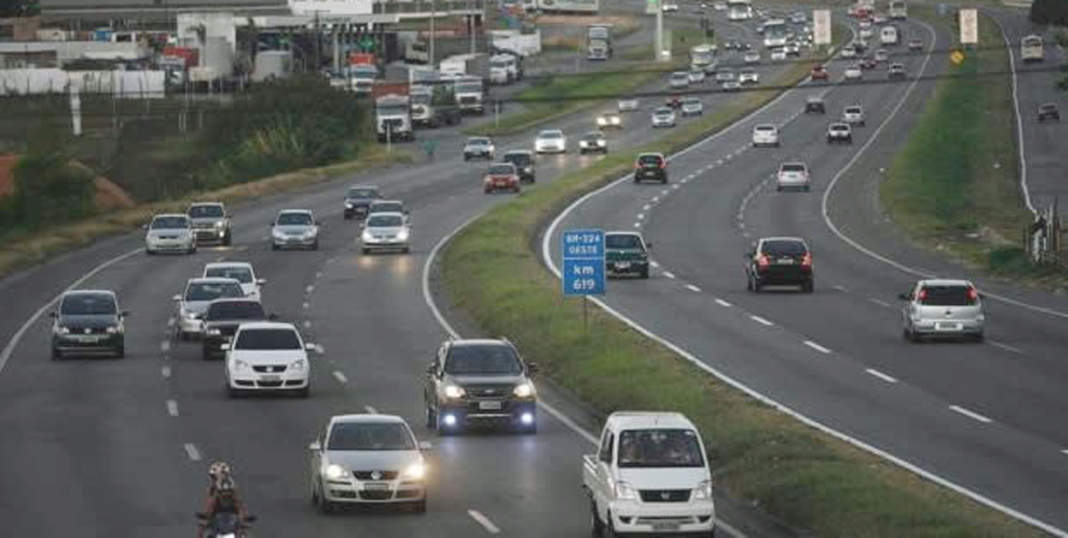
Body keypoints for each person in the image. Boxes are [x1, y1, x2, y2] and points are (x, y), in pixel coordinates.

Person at [198, 471, 250, 538]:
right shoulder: (215, 499)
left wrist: (245, 518)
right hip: (217, 528)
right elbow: (210, 507)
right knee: (202, 530)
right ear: (219, 491)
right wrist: (206, 517)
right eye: (223, 492)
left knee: (245, 533)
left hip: (232, 527)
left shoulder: (235, 499)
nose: (225, 494)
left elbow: (241, 507)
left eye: (228, 492)